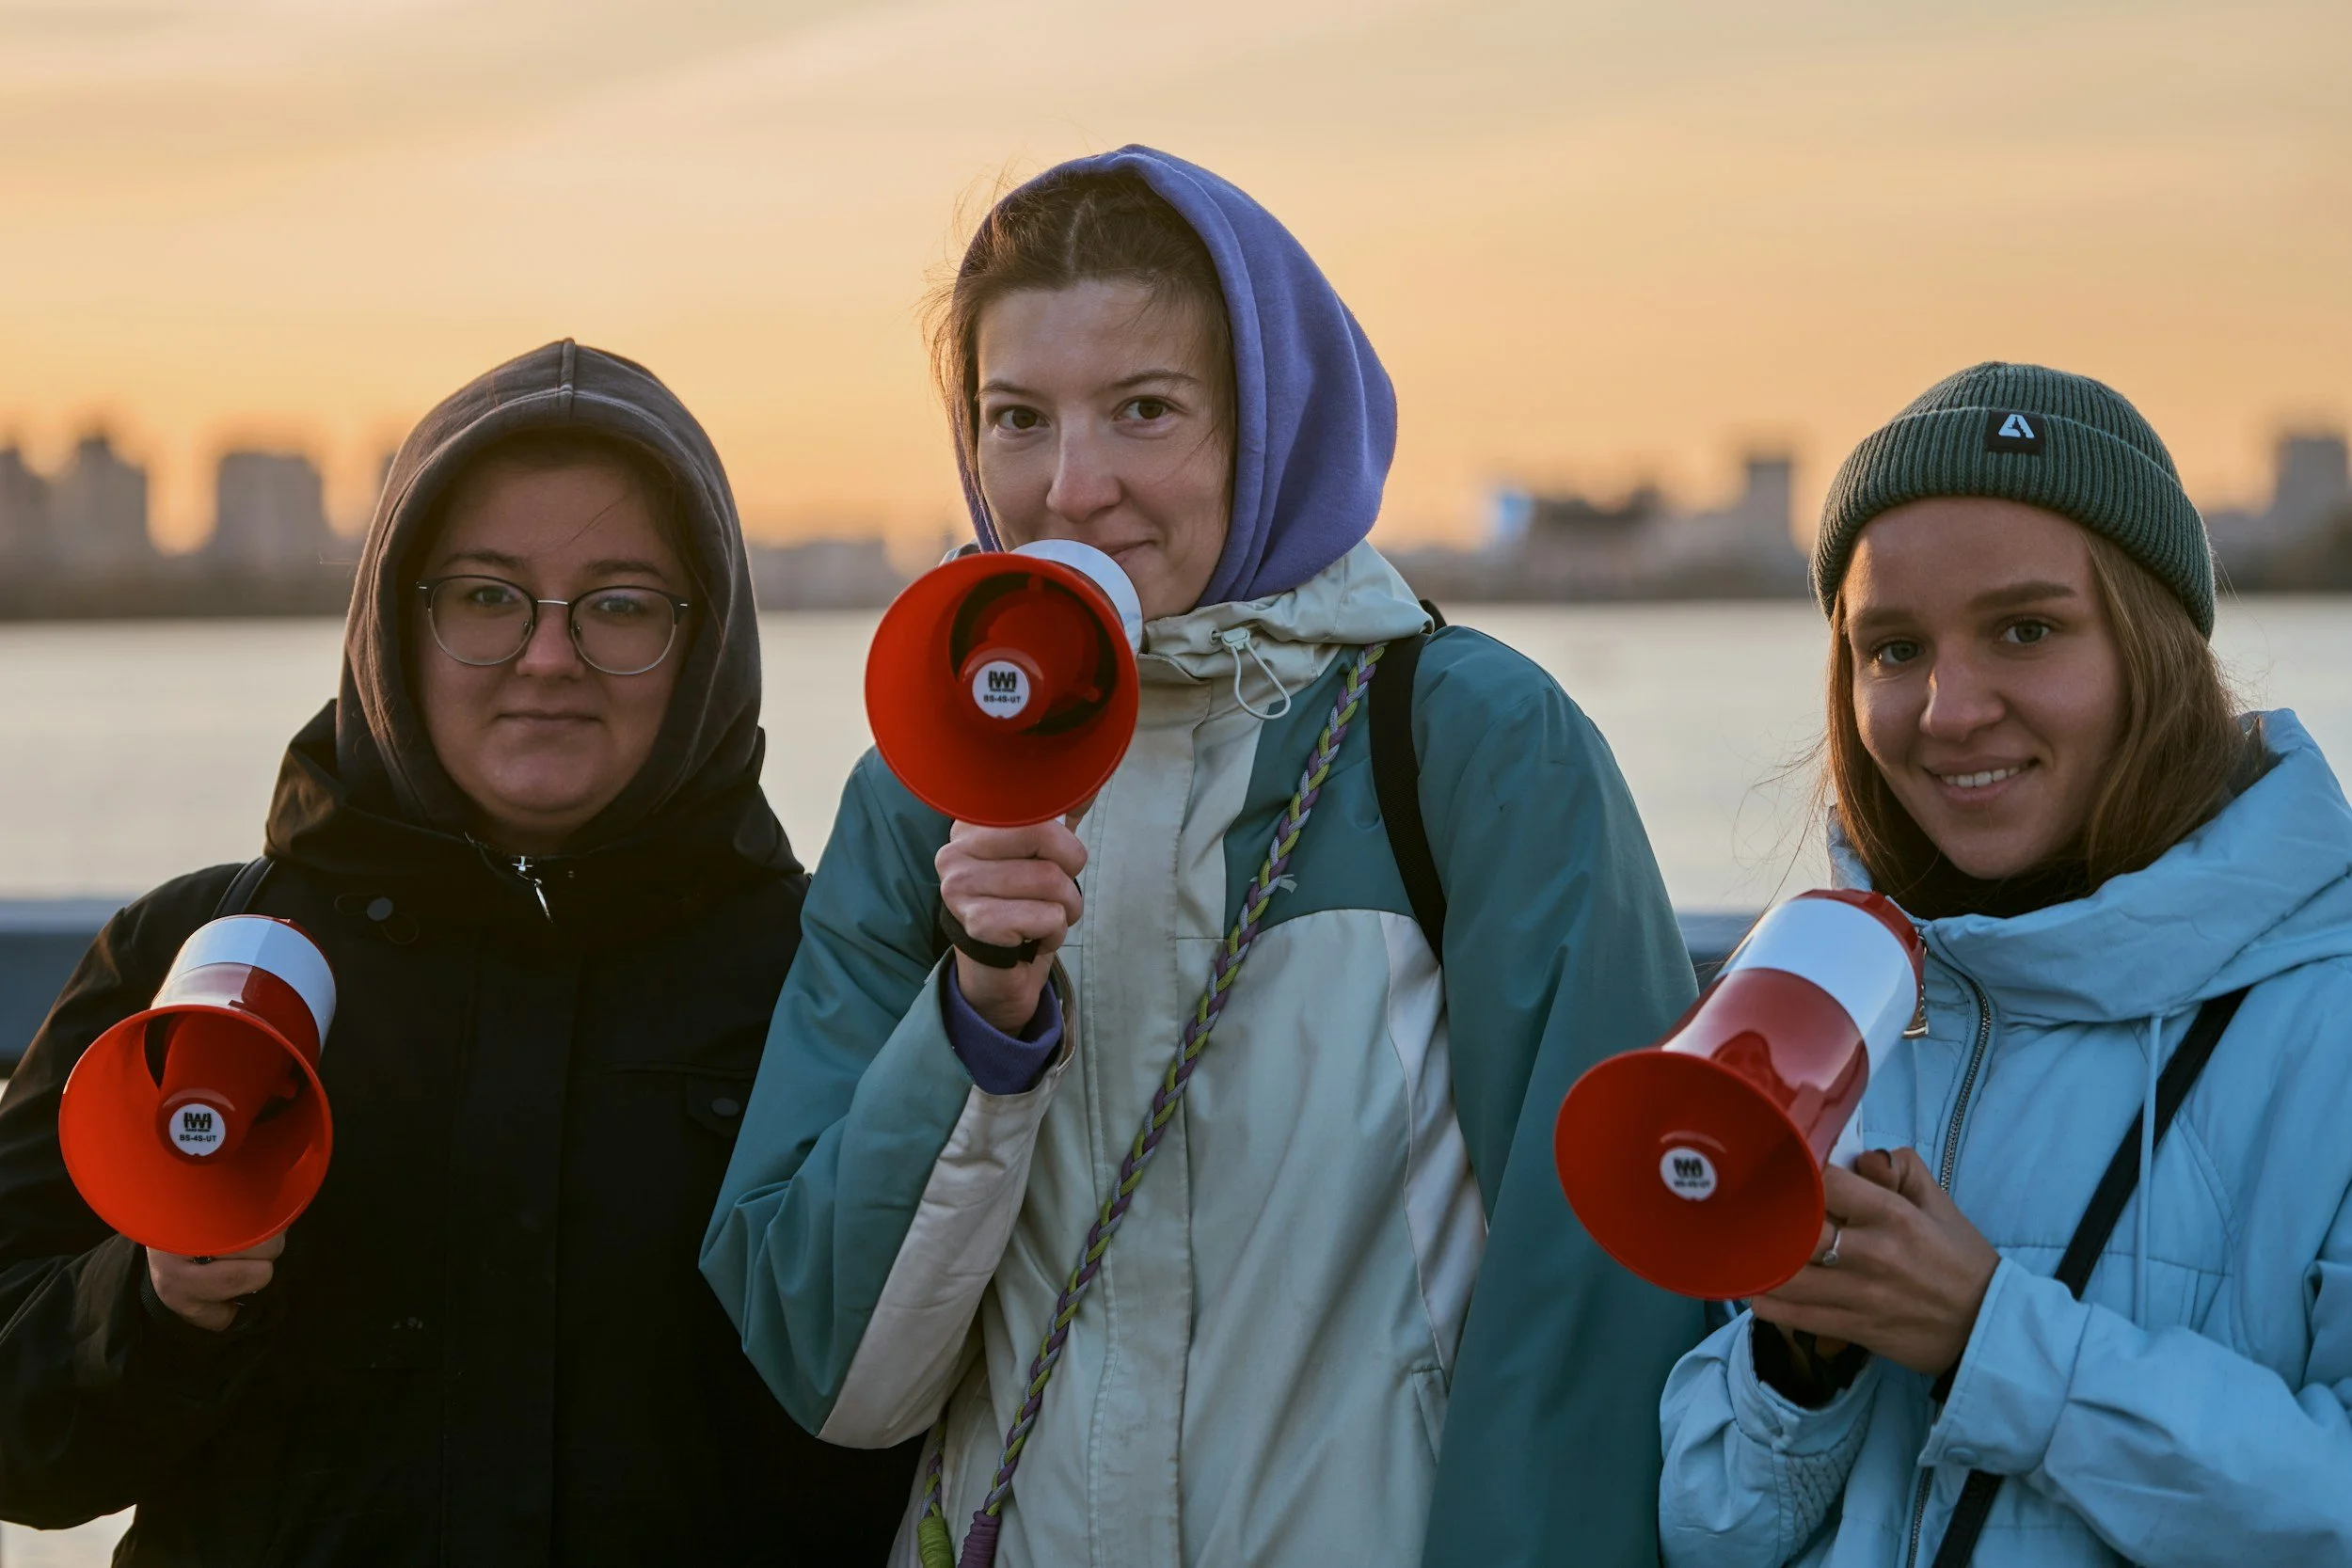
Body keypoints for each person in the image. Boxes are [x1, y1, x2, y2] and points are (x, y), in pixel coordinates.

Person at [702, 148, 1701, 1568]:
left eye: (1146, 412)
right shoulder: (923, 785)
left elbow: (1597, 1301)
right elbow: (832, 1363)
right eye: (1016, 418)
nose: (1071, 485)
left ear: (1274, 425)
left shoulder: (1467, 739)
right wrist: (979, 1013)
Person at [0, 341, 916, 1565]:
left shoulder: (831, 979)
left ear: (705, 639)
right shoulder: (198, 953)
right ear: (397, 619)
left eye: (622, 602)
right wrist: (155, 1302)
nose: (549, 656)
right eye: (485, 595)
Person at [1656, 363, 2352, 1565]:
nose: (1947, 707)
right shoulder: (1838, 1004)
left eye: (2025, 630)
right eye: (1893, 648)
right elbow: (1710, 1529)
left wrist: (1994, 1338)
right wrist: (1799, 1361)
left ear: (2154, 648)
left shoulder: (2324, 1009)